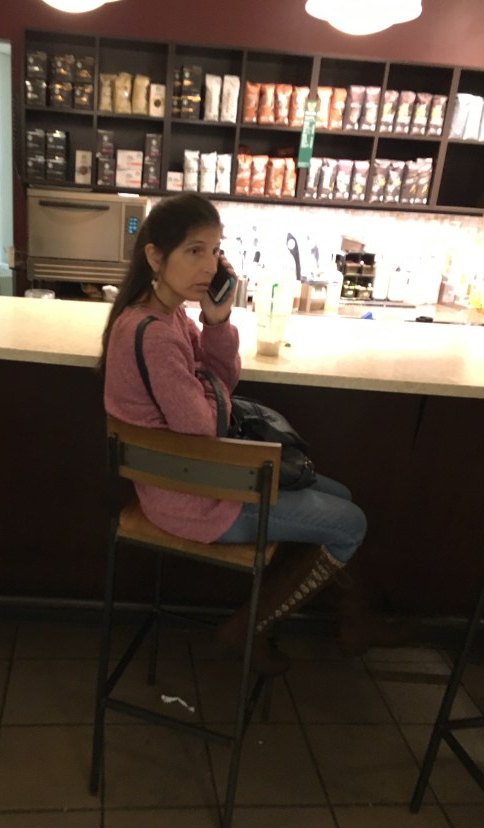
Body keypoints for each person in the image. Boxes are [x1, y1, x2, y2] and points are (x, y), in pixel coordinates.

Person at [100, 192, 410, 673]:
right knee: (351, 523)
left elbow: (221, 384)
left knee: (342, 498)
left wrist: (217, 321)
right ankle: (248, 628)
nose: (209, 266)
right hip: (193, 498)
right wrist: (210, 389)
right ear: (155, 257)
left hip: (191, 481)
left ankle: (351, 621)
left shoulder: (169, 315)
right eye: (194, 251)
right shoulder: (155, 333)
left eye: (214, 251)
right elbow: (203, 424)